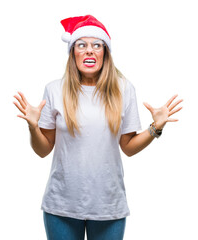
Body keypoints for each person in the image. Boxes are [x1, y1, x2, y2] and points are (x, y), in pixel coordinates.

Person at [13, 15, 183, 240]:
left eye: (97, 45)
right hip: (61, 206)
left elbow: (129, 148)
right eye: (81, 45)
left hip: (108, 206)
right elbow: (43, 150)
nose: (89, 51)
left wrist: (155, 127)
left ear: (105, 53)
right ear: (73, 52)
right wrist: (33, 127)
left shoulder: (124, 89)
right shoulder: (54, 90)